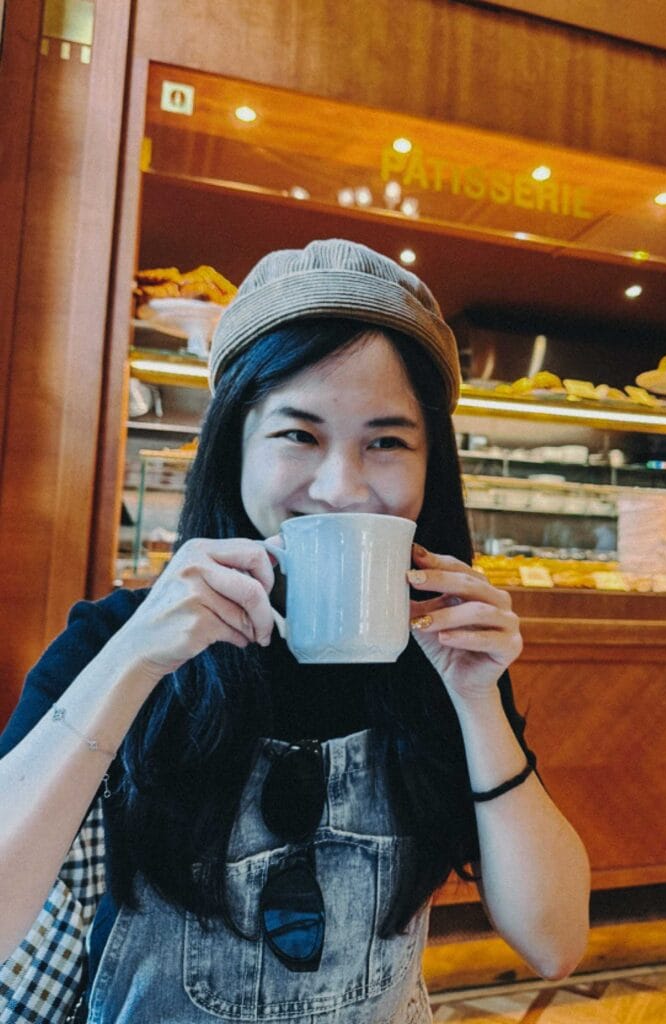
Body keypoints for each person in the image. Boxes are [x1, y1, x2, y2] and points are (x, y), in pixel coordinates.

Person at [0, 239, 590, 1023]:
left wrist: (479, 702)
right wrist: (135, 659)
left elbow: (555, 943)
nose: (341, 487)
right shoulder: (117, 641)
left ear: (431, 468)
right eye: (298, 435)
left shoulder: (442, 659)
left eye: (386, 441)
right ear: (235, 448)